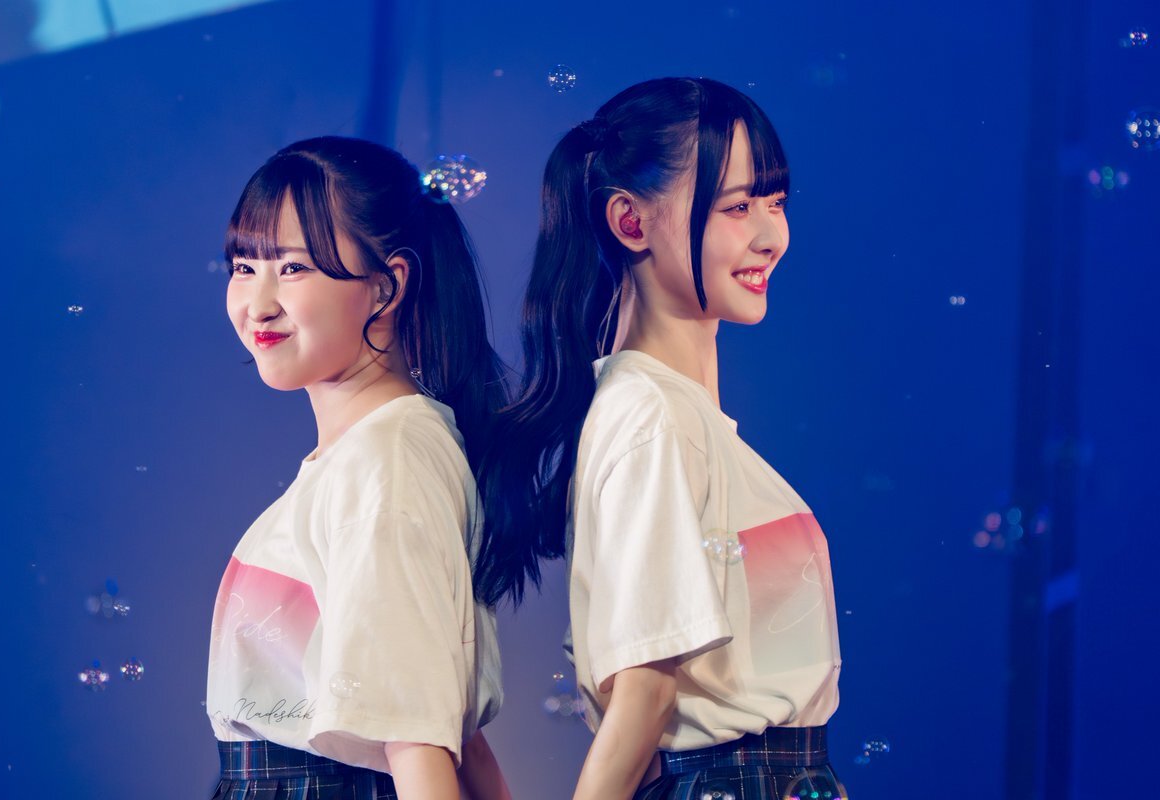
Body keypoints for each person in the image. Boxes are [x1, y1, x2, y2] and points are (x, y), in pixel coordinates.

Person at [475, 78, 845, 799]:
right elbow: (642, 700)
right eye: (737, 206)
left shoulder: (669, 415)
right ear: (630, 222)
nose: (771, 235)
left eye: (775, 202)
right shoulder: (650, 417)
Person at [205, 136, 511, 800]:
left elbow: (419, 739)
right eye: (244, 265)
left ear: (387, 285)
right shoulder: (378, 452)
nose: (258, 303)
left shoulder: (386, 459)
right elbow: (448, 725)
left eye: (293, 267)